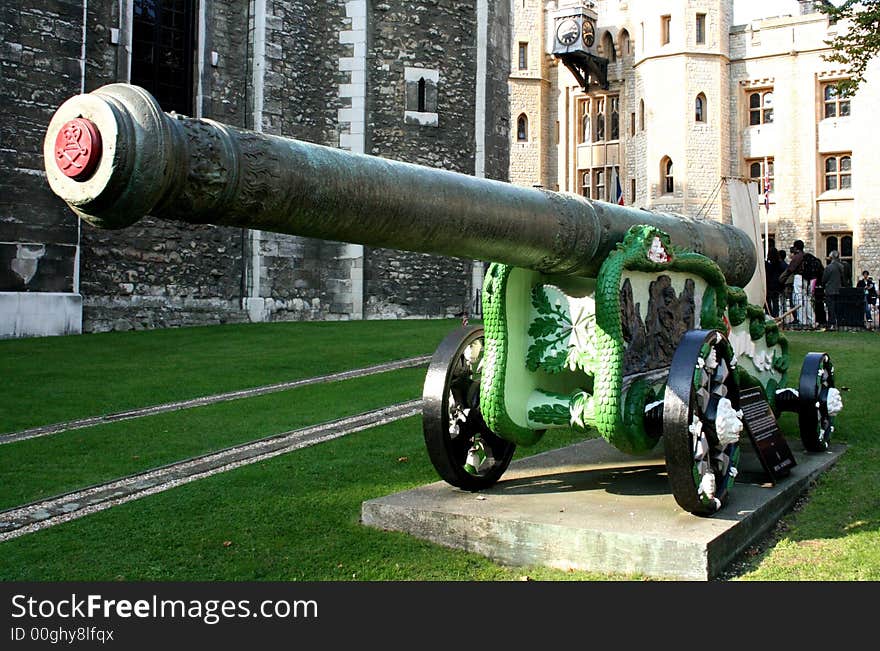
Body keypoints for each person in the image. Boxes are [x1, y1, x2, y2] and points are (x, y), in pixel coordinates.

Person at [780, 240, 806, 325]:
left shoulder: (798, 256)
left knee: (798, 299)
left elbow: (790, 269)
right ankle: (802, 319)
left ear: (796, 248)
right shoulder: (803, 255)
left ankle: (801, 320)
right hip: (803, 278)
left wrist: (782, 278)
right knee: (802, 298)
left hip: (798, 277)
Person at [821, 250, 846, 331]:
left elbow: (824, 280)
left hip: (830, 290)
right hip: (839, 290)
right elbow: (843, 279)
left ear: (831, 257)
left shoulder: (829, 267)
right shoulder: (842, 266)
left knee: (831, 308)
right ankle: (838, 323)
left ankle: (832, 324)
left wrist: (823, 285)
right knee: (838, 308)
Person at [765, 247, 787, 317]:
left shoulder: (767, 265)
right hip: (777, 285)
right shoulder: (780, 264)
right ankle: (775, 316)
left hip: (769, 285)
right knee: (775, 302)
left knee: (768, 301)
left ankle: (769, 315)